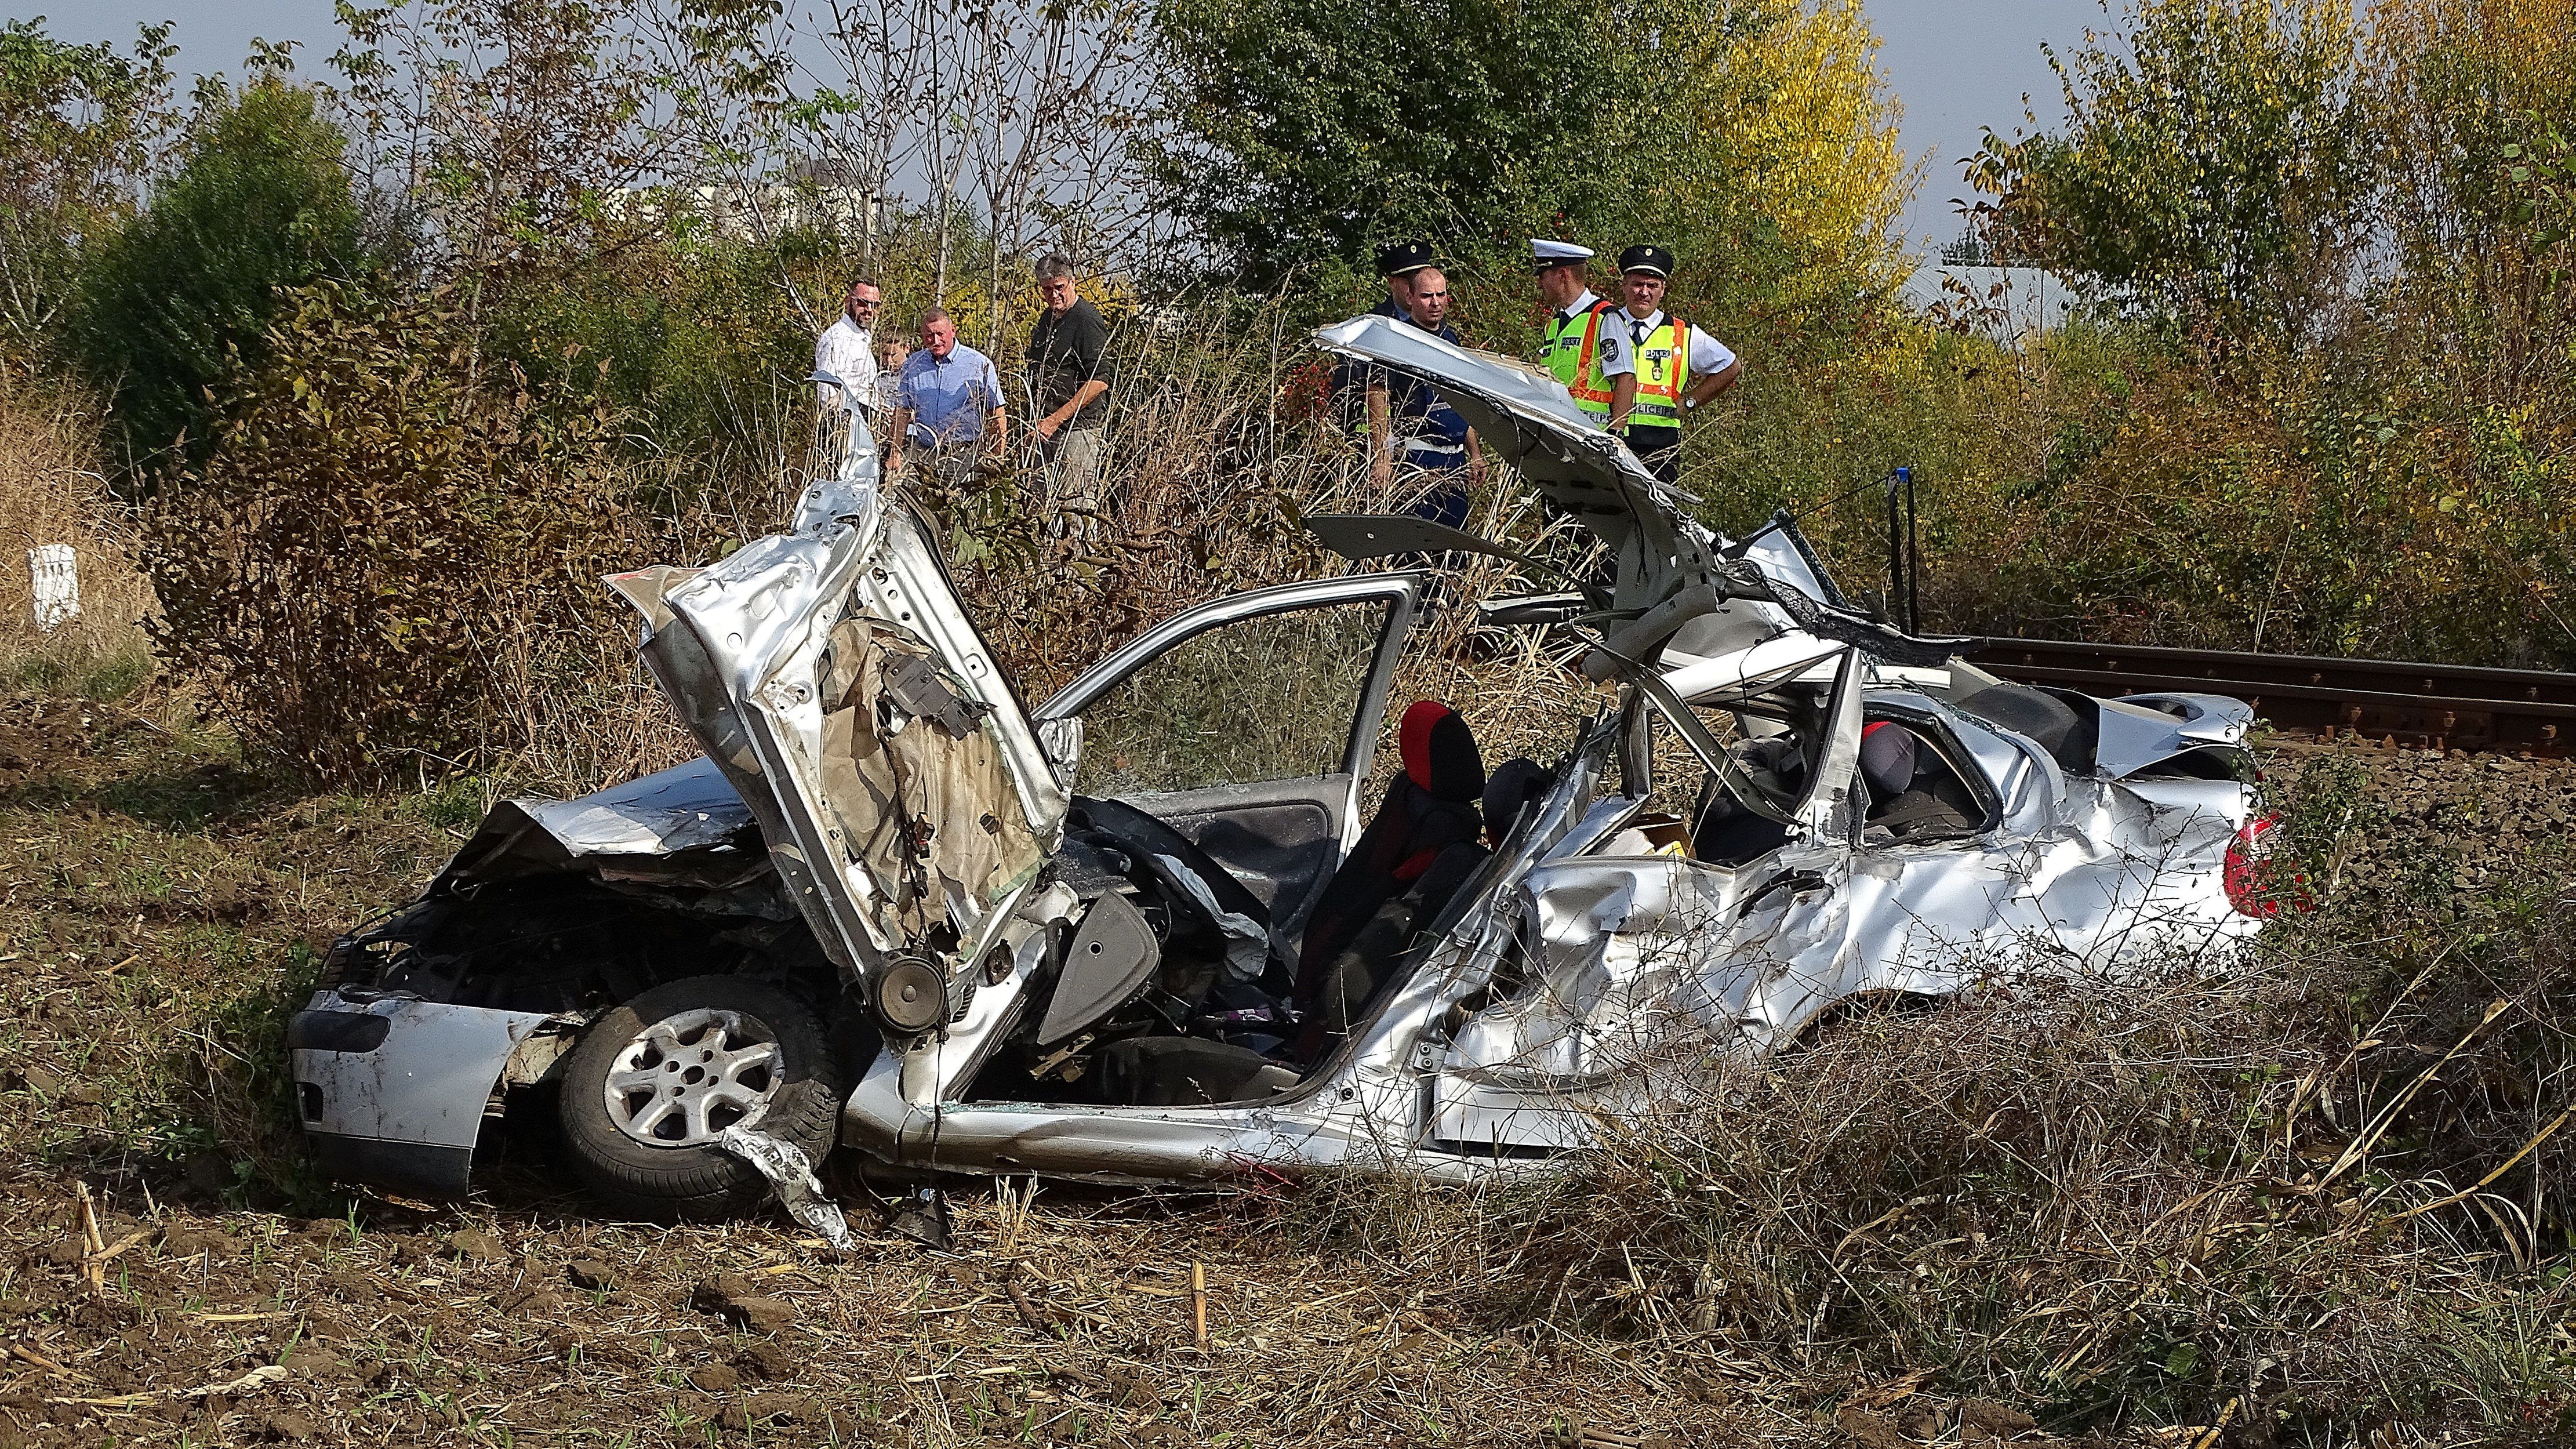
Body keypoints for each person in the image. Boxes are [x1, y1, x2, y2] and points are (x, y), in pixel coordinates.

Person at [1364, 266, 1485, 527]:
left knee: (1454, 550)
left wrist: (1475, 453)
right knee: (1416, 548)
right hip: (1416, 459)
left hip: (1455, 462)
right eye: (1427, 296)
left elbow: (1464, 401)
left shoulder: (1451, 340)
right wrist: (1382, 459)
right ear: (1410, 298)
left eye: (1441, 295)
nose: (1435, 303)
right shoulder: (1394, 340)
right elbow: (1377, 396)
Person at [1613, 244, 1743, 486]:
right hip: (1609, 438)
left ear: (1663, 290)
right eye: (1637, 284)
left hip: (1659, 448)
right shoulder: (1605, 324)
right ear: (1624, 285)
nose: (1644, 292)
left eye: (1652, 286)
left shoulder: (1681, 333)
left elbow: (1730, 366)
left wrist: (1690, 401)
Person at [1025, 256, 1114, 539]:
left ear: (1072, 282)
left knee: (1075, 511)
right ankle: (1047, 575)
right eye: (1047, 289)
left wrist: (1055, 420)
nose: (1054, 295)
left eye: (1060, 287)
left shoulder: (1086, 320)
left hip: (1077, 429)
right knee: (1039, 509)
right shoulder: (1047, 320)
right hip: (1044, 429)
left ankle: (1078, 581)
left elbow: (1099, 381)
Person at [885, 308, 1006, 488]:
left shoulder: (978, 364)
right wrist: (895, 452)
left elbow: (997, 413)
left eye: (940, 334)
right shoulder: (914, 365)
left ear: (953, 331)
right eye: (929, 336)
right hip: (923, 452)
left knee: (958, 509)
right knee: (910, 506)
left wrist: (997, 460)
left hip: (963, 455)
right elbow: (902, 412)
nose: (935, 341)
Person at [1531, 239, 1636, 434]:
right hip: (1558, 436)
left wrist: (1615, 435)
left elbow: (1626, 378)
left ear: (1563, 275)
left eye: (1542, 276)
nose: (1539, 284)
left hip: (1592, 439)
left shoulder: (1605, 317)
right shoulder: (1554, 324)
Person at [813, 279, 881, 409]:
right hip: (847, 420)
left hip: (865, 418)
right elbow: (827, 390)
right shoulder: (838, 338)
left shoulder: (861, 337)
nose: (869, 310)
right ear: (848, 302)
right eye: (863, 303)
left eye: (875, 305)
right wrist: (842, 422)